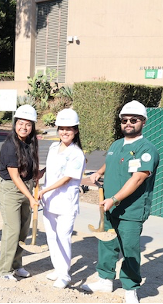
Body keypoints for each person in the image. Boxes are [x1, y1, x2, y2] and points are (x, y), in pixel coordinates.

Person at [82, 100, 159, 303]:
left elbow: (138, 178)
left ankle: (130, 288)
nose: (128, 123)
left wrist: (114, 199)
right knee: (107, 243)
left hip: (131, 210)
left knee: (130, 249)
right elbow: (110, 162)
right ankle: (105, 280)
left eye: (133, 120)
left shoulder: (147, 149)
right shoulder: (116, 145)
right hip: (110, 207)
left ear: (143, 121)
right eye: (124, 120)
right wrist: (98, 173)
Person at [37, 108, 86, 289]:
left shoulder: (77, 153)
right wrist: (40, 173)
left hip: (65, 203)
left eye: (69, 128)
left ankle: (65, 274)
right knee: (51, 236)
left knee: (63, 237)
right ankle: (58, 269)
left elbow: (66, 178)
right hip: (49, 201)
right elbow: (50, 168)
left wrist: (45, 189)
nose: (64, 132)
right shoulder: (53, 147)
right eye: (61, 128)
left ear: (76, 131)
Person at [0, 104, 41, 281]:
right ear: (15, 124)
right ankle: (4, 270)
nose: (24, 127)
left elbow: (29, 171)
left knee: (23, 230)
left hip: (26, 187)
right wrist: (31, 198)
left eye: (28, 124)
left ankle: (16, 264)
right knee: (12, 229)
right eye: (21, 123)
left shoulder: (29, 143)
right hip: (11, 190)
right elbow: (15, 176)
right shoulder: (9, 146)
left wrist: (41, 174)